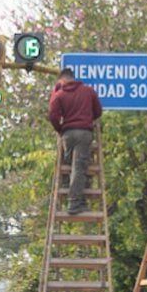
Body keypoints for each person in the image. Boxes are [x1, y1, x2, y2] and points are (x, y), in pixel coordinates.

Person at [47, 68, 103, 216]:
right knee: (79, 167)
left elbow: (52, 115)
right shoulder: (88, 91)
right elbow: (98, 111)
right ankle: (75, 202)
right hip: (84, 133)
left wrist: (60, 129)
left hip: (68, 134)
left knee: (69, 165)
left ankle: (74, 198)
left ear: (61, 80)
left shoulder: (59, 95)